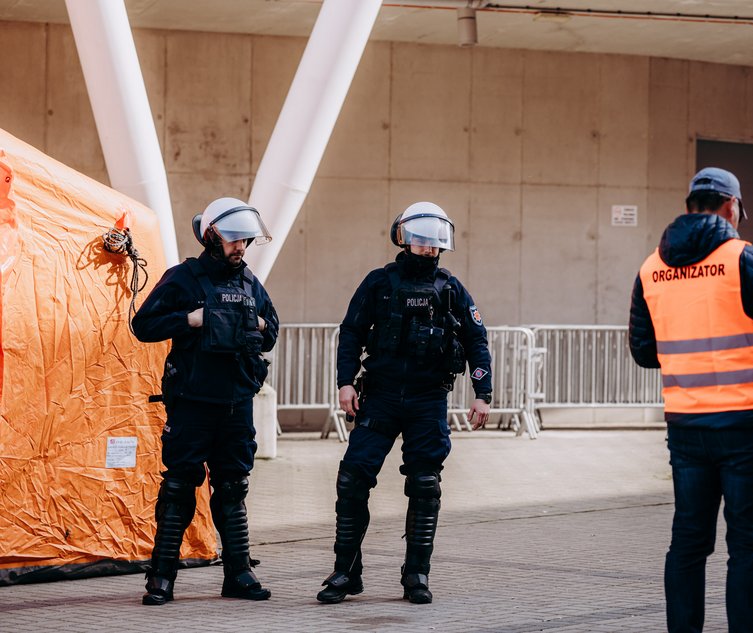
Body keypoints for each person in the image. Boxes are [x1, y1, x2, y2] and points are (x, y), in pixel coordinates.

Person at [629, 167, 753, 633]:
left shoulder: (652, 268)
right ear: (732, 207)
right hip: (748, 426)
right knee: (748, 545)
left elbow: (644, 352)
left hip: (687, 428)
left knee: (688, 541)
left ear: (691, 206)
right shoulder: (749, 261)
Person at [316, 201, 492, 606]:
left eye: (434, 244)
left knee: (425, 485)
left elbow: (476, 341)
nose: (428, 249)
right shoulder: (380, 282)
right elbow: (351, 332)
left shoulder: (450, 289)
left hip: (428, 400)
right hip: (379, 396)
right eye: (421, 242)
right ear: (405, 239)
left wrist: (483, 394)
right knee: (352, 481)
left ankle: (416, 575)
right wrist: (345, 384)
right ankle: (346, 572)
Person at [131, 197, 279, 605]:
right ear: (212, 235)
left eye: (245, 241)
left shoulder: (250, 282)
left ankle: (239, 575)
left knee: (232, 487)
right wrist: (189, 320)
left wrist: (264, 325)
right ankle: (161, 578)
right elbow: (143, 325)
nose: (241, 248)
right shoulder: (184, 277)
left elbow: (272, 329)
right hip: (193, 401)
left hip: (236, 403)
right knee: (179, 487)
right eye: (234, 241)